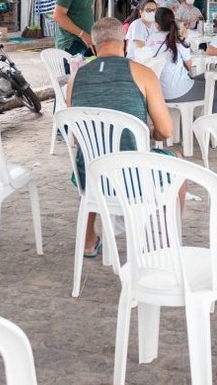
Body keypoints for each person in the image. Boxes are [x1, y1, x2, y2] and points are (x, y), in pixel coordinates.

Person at [66, 17, 173, 256]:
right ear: (124, 42)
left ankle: (87, 240)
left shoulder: (76, 78)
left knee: (93, 158)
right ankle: (166, 244)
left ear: (93, 46)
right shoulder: (143, 73)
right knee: (178, 176)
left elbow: (75, 136)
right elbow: (166, 130)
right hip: (134, 175)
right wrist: (151, 133)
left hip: (92, 175)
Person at [151, 7, 217, 113]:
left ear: (156, 24)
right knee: (214, 91)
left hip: (158, 92)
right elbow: (189, 66)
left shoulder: (150, 39)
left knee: (212, 77)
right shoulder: (178, 41)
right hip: (178, 91)